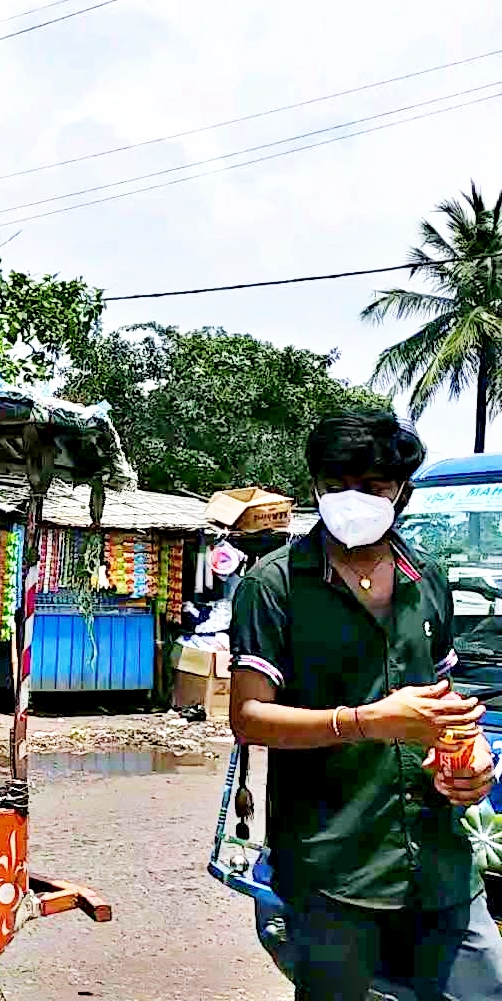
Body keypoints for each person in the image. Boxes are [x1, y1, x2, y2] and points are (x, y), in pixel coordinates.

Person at [230, 409, 502, 1001]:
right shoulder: (274, 586)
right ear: (315, 487)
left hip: (439, 856)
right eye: (337, 485)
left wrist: (474, 756)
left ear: (400, 492)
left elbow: (445, 696)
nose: (355, 499)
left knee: (485, 989)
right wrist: (364, 722)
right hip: (334, 864)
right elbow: (248, 717)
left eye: (374, 487)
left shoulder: (425, 578)